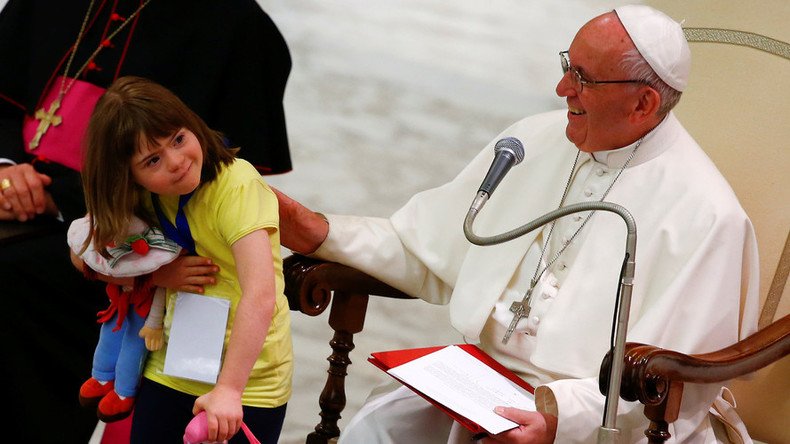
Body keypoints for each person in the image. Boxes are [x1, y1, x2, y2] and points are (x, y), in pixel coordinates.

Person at [275, 5, 760, 443]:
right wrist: (320, 232)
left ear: (643, 104)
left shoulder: (708, 215)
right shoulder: (532, 140)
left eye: (584, 77)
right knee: (377, 429)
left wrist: (560, 421)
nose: (562, 88)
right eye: (567, 64)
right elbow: (427, 249)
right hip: (478, 385)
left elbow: (676, 386)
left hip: (603, 424)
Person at [0, 1, 291, 441]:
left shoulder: (235, 23)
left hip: (144, 236)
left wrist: (61, 201)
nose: (173, 153)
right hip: (56, 208)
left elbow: (210, 173)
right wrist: (5, 168)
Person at [78, 75, 293, 444]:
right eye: (153, 159)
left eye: (178, 139)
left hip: (247, 380)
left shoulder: (237, 185)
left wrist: (228, 390)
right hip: (168, 365)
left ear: (191, 124)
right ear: (127, 176)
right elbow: (82, 255)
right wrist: (152, 276)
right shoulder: (141, 197)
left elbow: (261, 295)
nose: (176, 162)